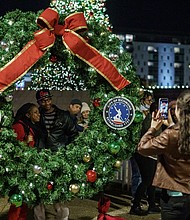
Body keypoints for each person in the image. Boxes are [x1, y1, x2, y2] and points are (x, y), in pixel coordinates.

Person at [138, 90, 190, 220]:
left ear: (179, 110)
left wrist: (153, 128)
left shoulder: (171, 135)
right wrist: (172, 125)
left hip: (175, 198)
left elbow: (143, 147)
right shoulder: (174, 133)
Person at [34, 89, 78, 220]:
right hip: (40, 157)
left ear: (51, 99)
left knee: (59, 191)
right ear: (39, 102)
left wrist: (68, 151)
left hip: (59, 156)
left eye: (48, 99)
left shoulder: (63, 116)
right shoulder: (36, 115)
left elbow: (73, 134)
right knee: (39, 192)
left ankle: (62, 217)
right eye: (42, 101)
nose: (46, 103)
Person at [8, 103, 43, 220]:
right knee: (17, 201)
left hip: (28, 169)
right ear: (28, 115)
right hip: (19, 170)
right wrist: (26, 141)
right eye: (35, 112)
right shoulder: (19, 126)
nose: (39, 115)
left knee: (24, 203)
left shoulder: (31, 127)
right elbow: (13, 148)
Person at [130, 102, 161, 216]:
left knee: (151, 181)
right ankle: (135, 206)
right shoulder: (150, 122)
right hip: (145, 154)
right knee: (146, 181)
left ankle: (152, 205)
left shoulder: (155, 121)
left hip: (150, 154)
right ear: (155, 111)